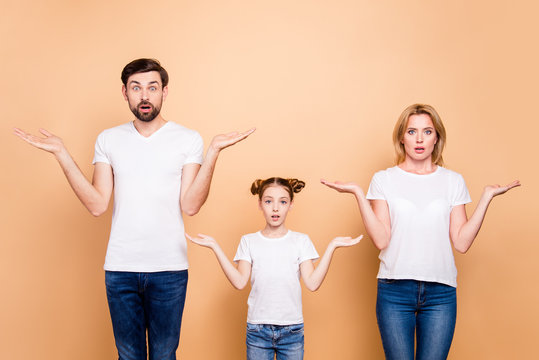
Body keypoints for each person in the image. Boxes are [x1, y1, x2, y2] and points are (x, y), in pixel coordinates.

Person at [14, 58, 255, 360]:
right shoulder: (109, 139)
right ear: (125, 93)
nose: (144, 95)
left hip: (169, 269)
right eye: (136, 88)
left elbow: (191, 205)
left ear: (164, 92)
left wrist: (214, 153)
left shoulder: (188, 139)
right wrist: (62, 154)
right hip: (121, 269)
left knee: (164, 355)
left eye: (152, 87)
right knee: (128, 356)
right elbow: (97, 204)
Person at [321, 103, 520, 360]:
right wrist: (359, 194)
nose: (419, 139)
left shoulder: (452, 181)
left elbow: (461, 242)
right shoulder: (384, 179)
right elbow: (382, 239)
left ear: (436, 138)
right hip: (395, 290)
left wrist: (486, 198)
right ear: (401, 138)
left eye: (427, 131)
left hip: (441, 293)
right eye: (412, 131)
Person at [187, 177, 362, 360]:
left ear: (291, 205)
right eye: (269, 201)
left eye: (283, 202)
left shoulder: (301, 241)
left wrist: (332, 246)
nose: (275, 208)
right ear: (260, 204)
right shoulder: (249, 241)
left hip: (292, 330)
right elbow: (239, 282)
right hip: (257, 331)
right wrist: (215, 247)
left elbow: (312, 283)